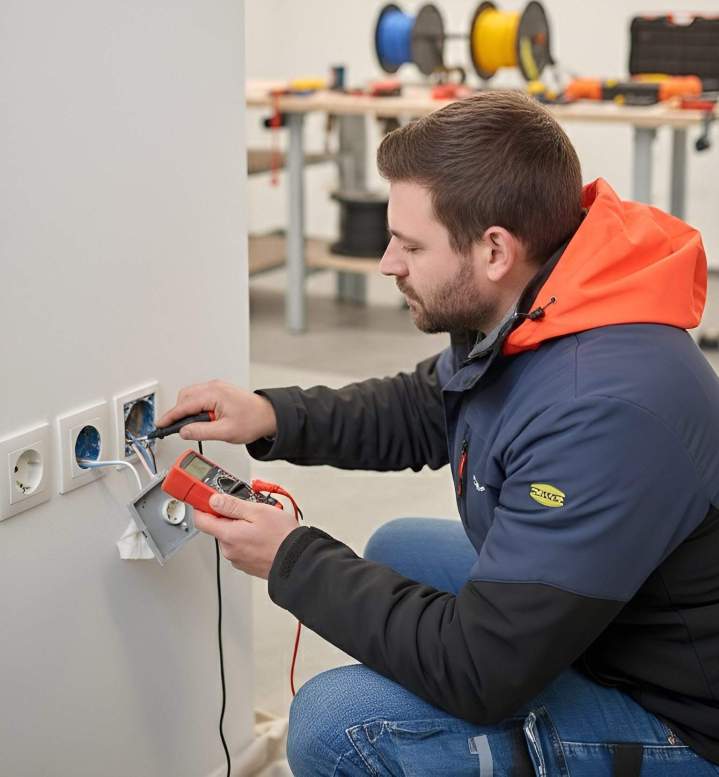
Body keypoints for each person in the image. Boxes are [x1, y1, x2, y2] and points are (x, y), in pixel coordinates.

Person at [158, 92, 719, 776]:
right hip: (613, 619)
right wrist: (273, 414)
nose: (389, 262)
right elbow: (429, 404)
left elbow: (480, 669)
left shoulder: (601, 406)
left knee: (338, 724)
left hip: (680, 714)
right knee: (397, 546)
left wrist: (289, 560)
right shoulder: (544, 302)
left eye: (411, 244)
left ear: (492, 249)